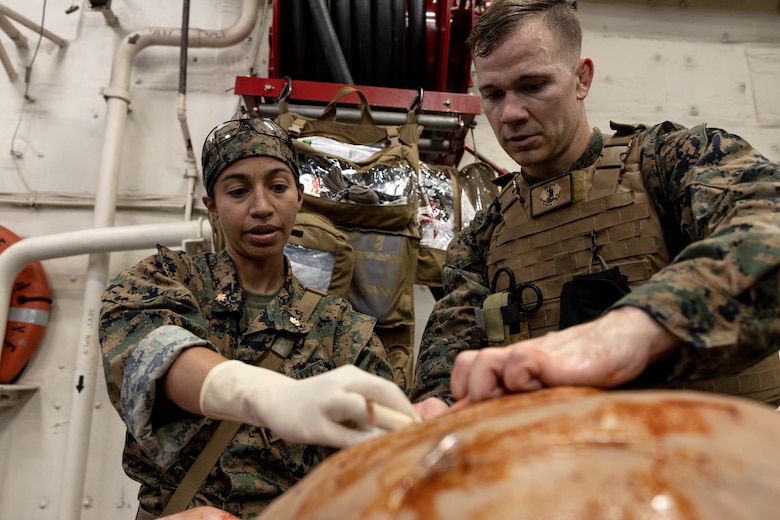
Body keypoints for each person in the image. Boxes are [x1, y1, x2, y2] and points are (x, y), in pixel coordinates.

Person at [410, 0, 780, 419]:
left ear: (581, 78)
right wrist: (437, 407)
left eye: (532, 86)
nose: (510, 114)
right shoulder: (482, 236)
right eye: (493, 94)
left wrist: (633, 329)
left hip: (717, 456)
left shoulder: (669, 162)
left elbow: (767, 222)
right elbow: (445, 366)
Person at [99, 117, 419, 518]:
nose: (263, 207)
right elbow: (150, 351)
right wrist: (273, 396)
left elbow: (380, 469)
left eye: (279, 187)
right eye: (238, 191)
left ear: (299, 198)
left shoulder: (342, 329)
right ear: (211, 207)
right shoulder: (164, 279)